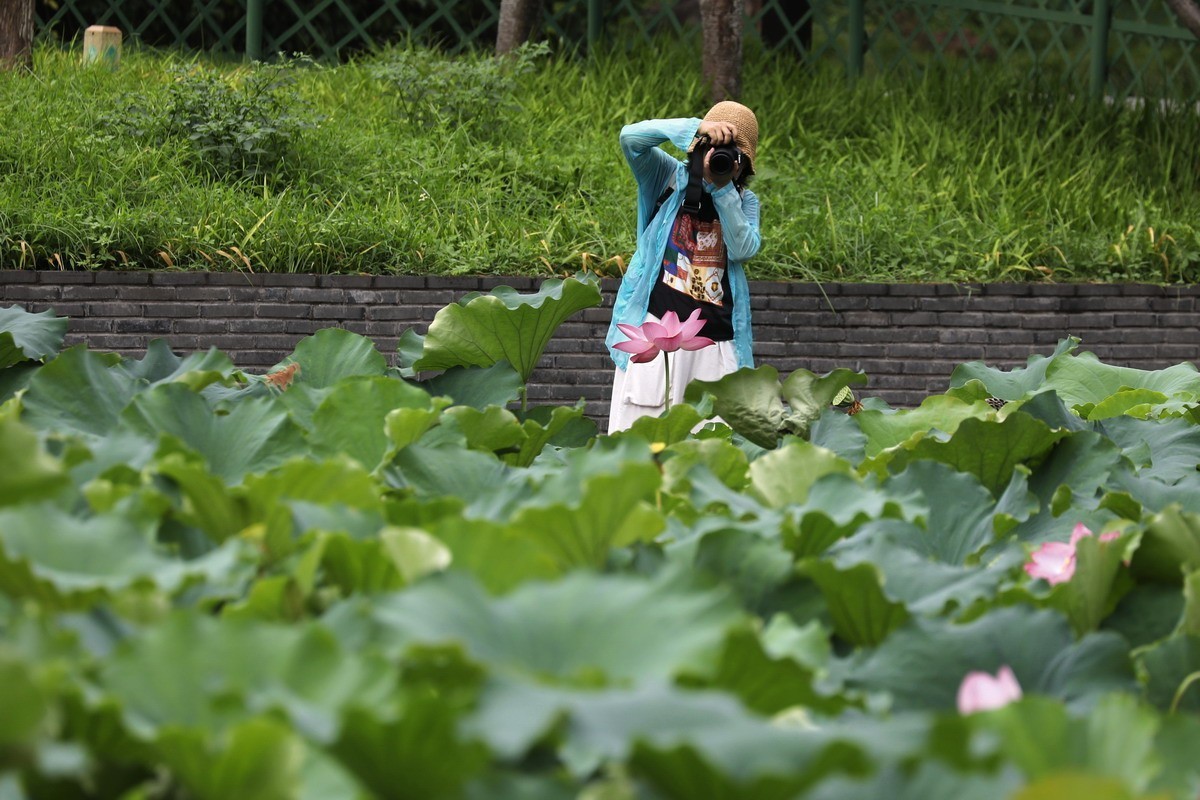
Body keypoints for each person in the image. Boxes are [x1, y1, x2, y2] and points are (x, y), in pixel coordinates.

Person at [604, 101, 761, 433]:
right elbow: (629, 138)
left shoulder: (744, 201)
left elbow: (743, 249)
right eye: (711, 147)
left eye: (730, 154)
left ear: (742, 165)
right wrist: (693, 129)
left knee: (716, 450)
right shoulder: (666, 176)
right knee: (640, 444)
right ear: (698, 146)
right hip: (655, 330)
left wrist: (722, 190)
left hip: (716, 341)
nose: (717, 157)